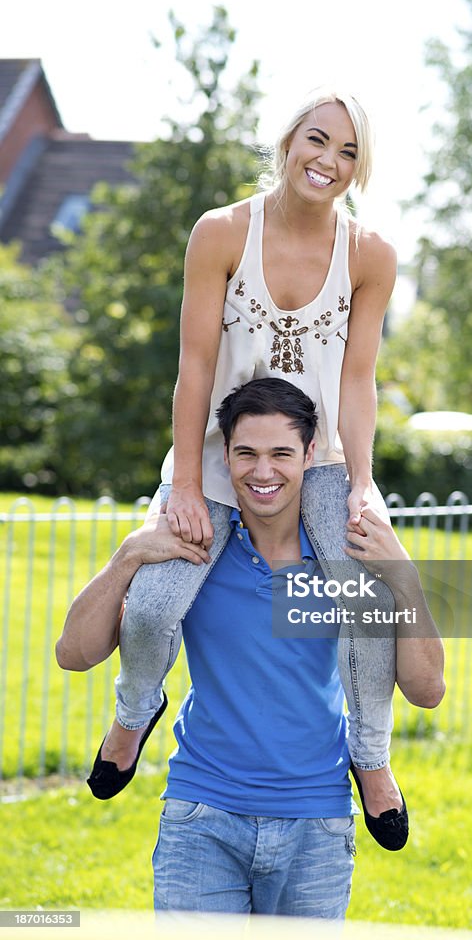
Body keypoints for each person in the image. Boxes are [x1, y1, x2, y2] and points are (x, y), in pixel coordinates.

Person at [82, 88, 413, 847]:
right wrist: (190, 488)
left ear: (360, 169)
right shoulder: (223, 232)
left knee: (368, 601)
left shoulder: (372, 256)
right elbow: (195, 366)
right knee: (158, 603)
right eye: (318, 140)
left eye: (349, 151)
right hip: (217, 455)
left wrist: (362, 483)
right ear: (288, 140)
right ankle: (135, 712)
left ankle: (370, 758)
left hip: (320, 460)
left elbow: (357, 381)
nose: (328, 161)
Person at [56, 379, 445, 917]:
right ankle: (134, 719)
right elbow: (72, 654)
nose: (263, 473)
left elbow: (427, 691)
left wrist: (404, 576)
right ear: (225, 457)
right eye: (247, 454)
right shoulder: (195, 556)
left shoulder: (339, 569)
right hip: (202, 815)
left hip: (318, 825)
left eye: (281, 454)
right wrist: (127, 557)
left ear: (310, 455)